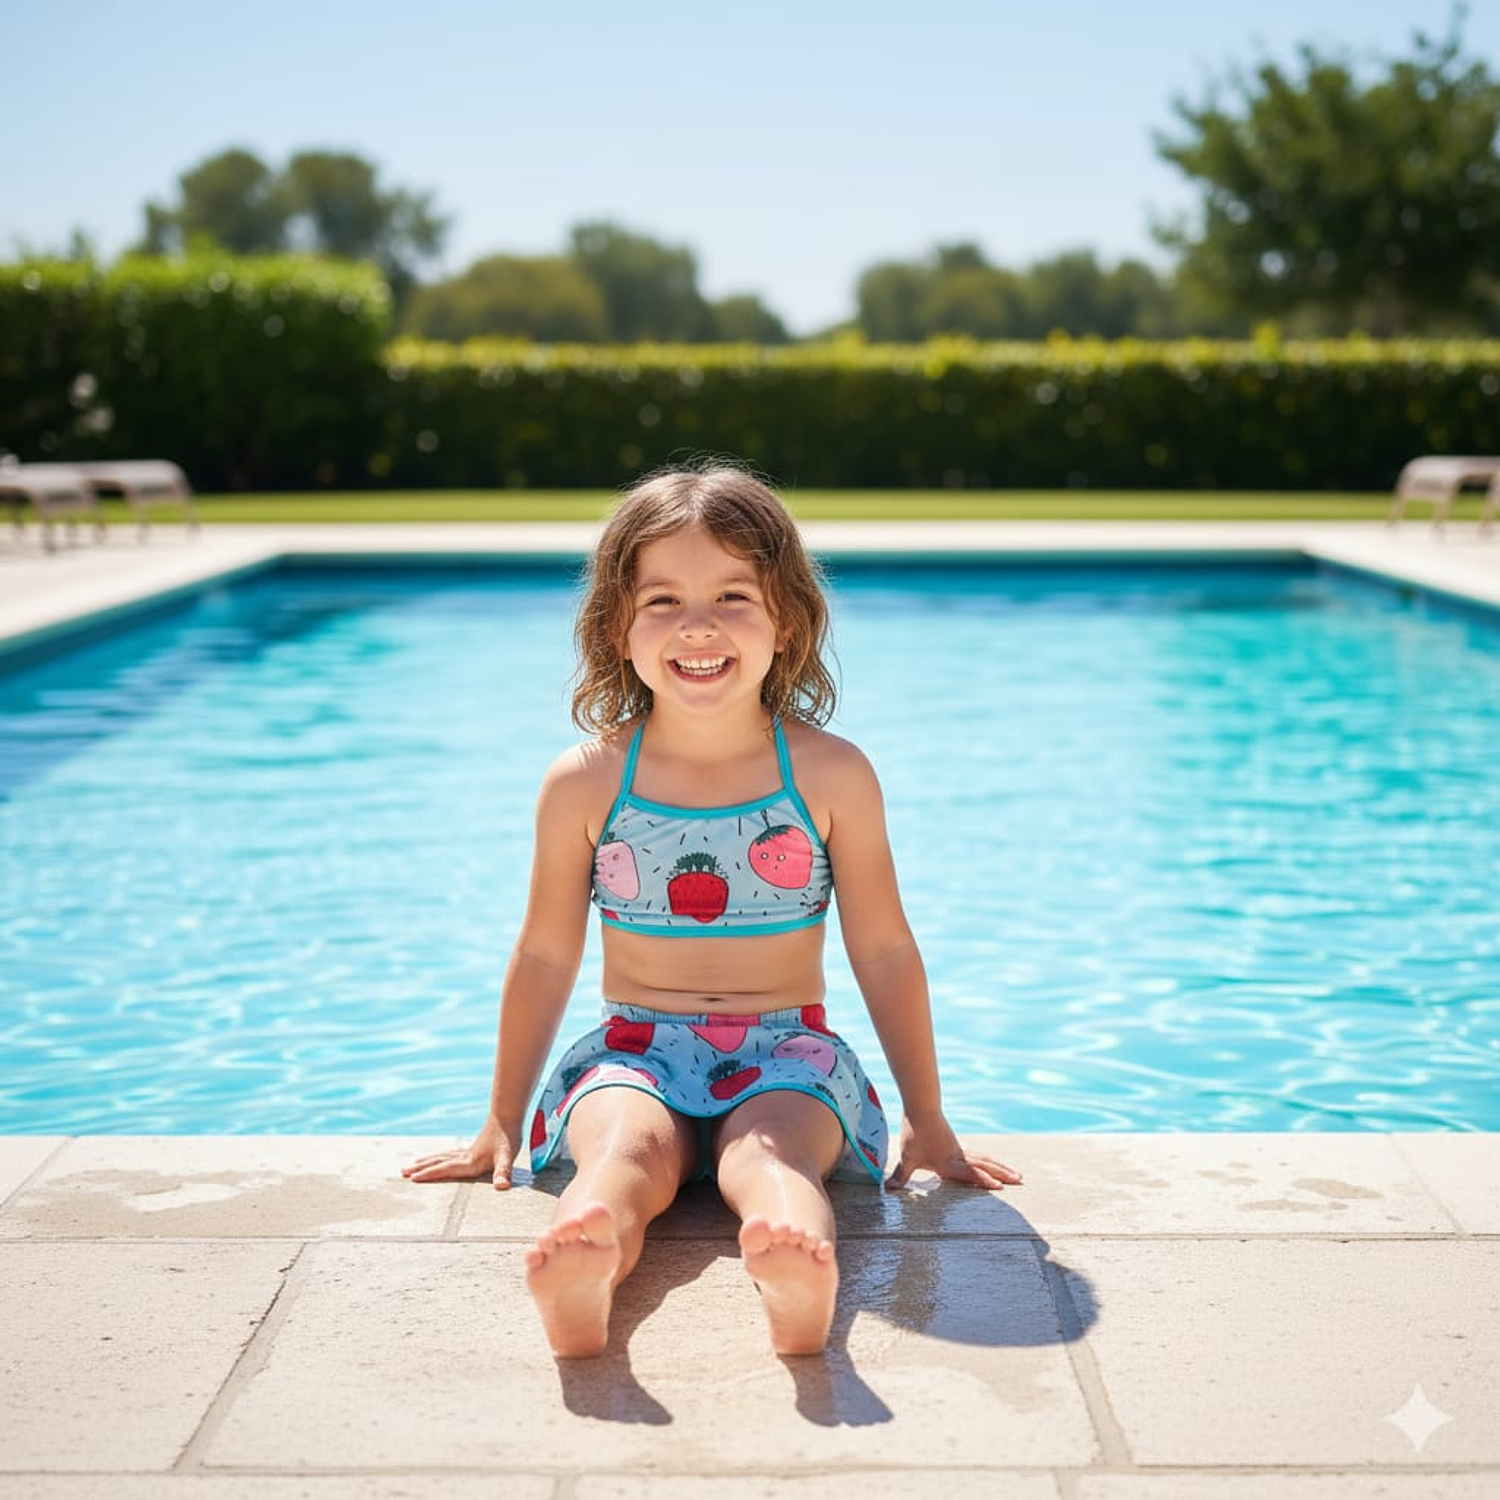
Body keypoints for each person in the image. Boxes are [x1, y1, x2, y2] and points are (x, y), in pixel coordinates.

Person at [403, 462, 1021, 1358]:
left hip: (788, 1050)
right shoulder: (585, 782)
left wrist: (929, 1117)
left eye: (734, 595)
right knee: (624, 1149)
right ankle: (586, 1260)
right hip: (633, 1049)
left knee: (767, 1153)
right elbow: (544, 954)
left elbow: (883, 950)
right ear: (617, 628)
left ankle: (795, 1270)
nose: (698, 625)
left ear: (788, 622)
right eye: (662, 600)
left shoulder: (828, 774)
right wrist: (500, 1117)